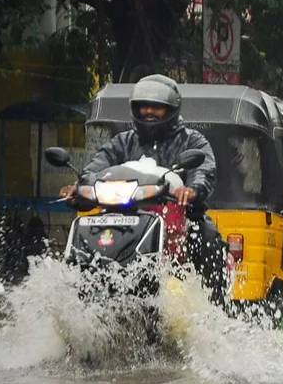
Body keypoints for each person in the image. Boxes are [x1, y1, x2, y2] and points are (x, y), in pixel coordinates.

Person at [60, 74, 226, 303]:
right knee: (88, 233)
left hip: (177, 216)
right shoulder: (123, 141)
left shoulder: (192, 141)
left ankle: (214, 307)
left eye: (156, 107)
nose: (149, 111)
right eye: (144, 106)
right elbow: (97, 166)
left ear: (171, 110)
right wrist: (80, 187)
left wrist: (192, 190)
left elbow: (204, 169)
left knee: (208, 238)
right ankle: (72, 292)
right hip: (121, 215)